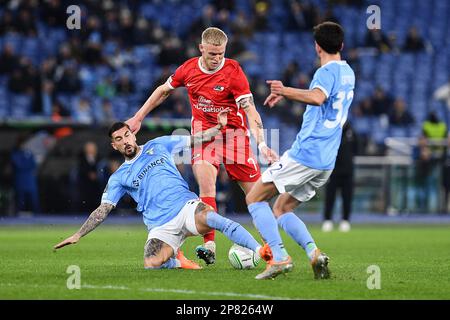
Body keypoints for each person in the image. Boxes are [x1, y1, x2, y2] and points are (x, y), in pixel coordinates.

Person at [54, 112, 273, 277]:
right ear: (114, 145)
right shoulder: (119, 177)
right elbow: (103, 209)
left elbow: (195, 139)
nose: (125, 141)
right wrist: (79, 235)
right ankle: (178, 260)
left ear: (133, 134)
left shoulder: (157, 145)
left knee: (216, 219)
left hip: (187, 207)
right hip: (160, 225)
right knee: (151, 263)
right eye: (119, 139)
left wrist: (218, 128)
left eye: (127, 135)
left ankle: (261, 251)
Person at [126, 27, 278, 265]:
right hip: (205, 135)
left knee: (257, 198)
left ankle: (275, 253)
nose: (217, 58)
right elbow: (163, 91)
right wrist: (138, 117)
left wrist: (262, 143)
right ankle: (210, 245)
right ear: (201, 49)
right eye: (212, 54)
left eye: (220, 53)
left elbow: (250, 110)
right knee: (206, 185)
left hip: (235, 137)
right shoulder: (188, 69)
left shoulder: (233, 72)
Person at [247, 21, 355, 279]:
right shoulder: (349, 72)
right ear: (341, 45)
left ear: (317, 47)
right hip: (327, 160)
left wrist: (284, 91)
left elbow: (318, 97)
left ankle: (280, 257)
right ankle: (314, 254)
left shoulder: (325, 72)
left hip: (307, 153)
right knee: (282, 208)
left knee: (254, 198)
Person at [322, 122, 357, 232]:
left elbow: (357, 147)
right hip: (333, 170)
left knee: (347, 198)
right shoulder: (331, 129)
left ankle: (345, 220)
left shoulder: (351, 131)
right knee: (330, 197)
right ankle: (327, 220)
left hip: (348, 172)